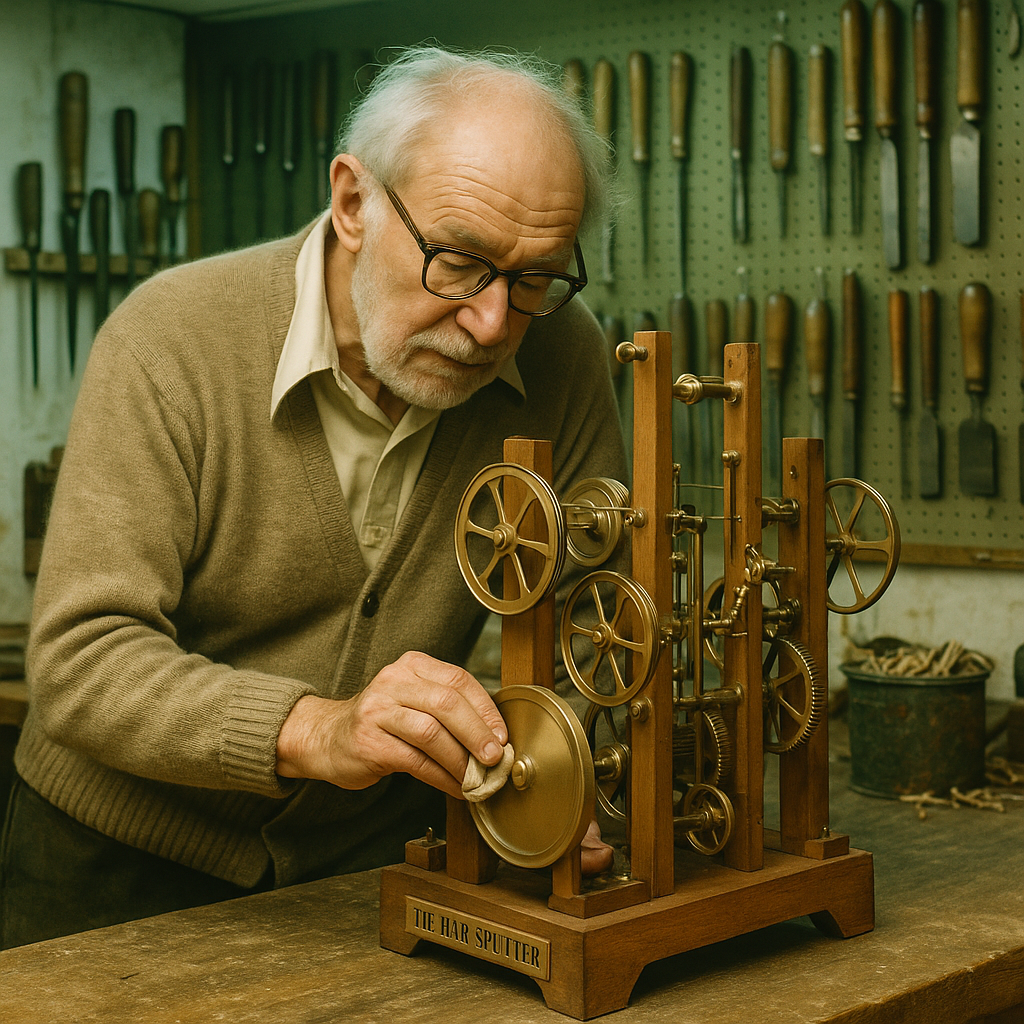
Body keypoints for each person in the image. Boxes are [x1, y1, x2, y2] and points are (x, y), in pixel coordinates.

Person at [0, 46, 626, 949]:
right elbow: (79, 660)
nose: (495, 324)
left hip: (365, 870)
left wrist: (573, 785)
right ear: (353, 201)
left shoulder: (562, 355)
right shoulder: (169, 340)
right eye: (460, 263)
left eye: (534, 279)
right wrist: (316, 729)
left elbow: (600, 630)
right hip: (110, 864)